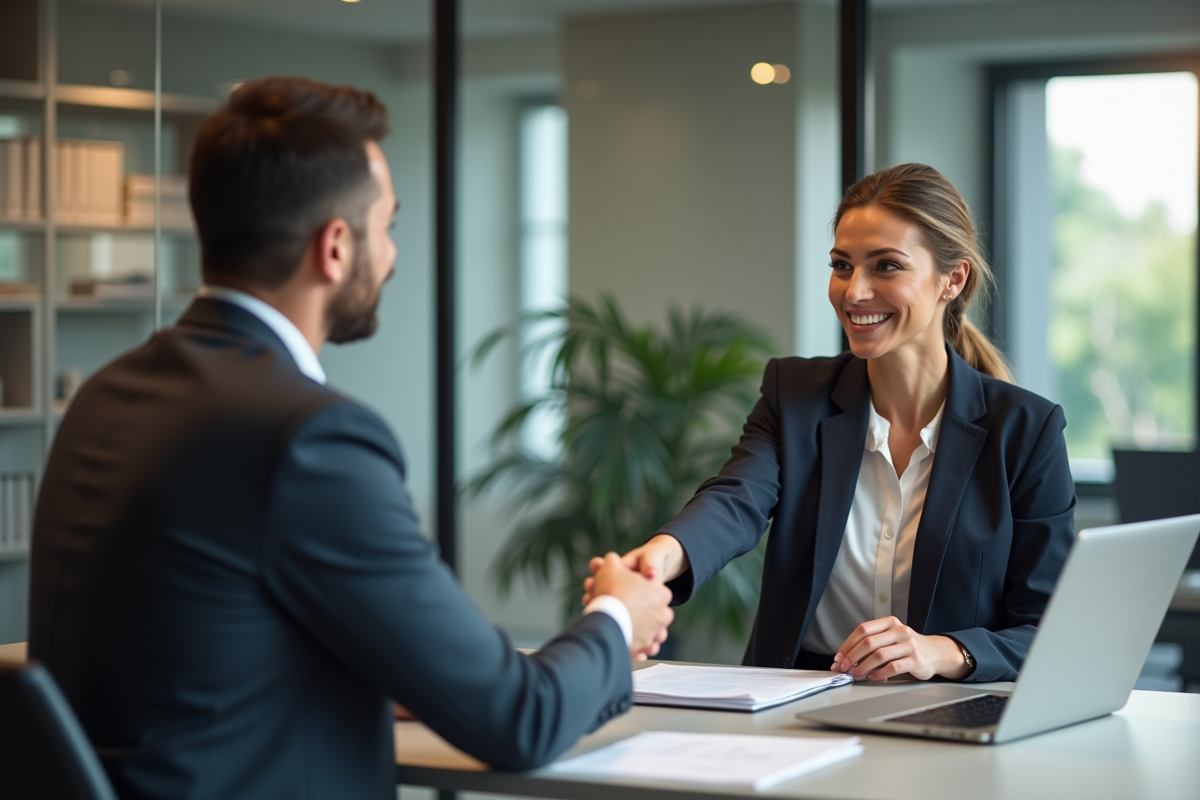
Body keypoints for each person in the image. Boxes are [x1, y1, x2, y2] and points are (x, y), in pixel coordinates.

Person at [28, 76, 672, 800]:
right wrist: (617, 615)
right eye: (386, 225)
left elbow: (195, 654)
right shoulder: (309, 437)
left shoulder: (107, 393)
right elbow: (518, 717)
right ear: (335, 247)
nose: (391, 254)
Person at [586, 163, 1075, 684]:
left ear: (952, 280)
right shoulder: (795, 395)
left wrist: (941, 652)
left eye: (886, 266)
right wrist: (657, 560)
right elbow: (735, 500)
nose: (855, 291)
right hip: (796, 702)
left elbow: (1049, 630)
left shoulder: (1026, 431)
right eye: (842, 266)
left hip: (946, 709)